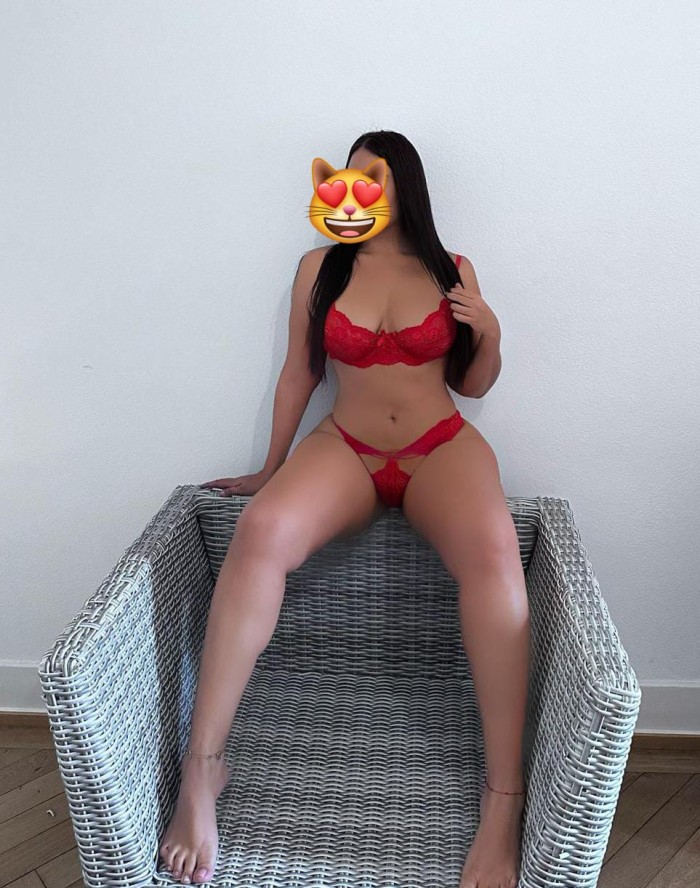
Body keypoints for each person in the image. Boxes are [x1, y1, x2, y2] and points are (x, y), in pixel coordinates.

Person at [159, 130, 531, 888]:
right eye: (346, 179)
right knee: (261, 530)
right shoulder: (320, 267)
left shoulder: (452, 268)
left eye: (374, 177)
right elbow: (299, 374)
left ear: (404, 186)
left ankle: (503, 801)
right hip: (348, 448)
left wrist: (491, 332)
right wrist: (269, 469)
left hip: (439, 445)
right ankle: (204, 768)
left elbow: (472, 385)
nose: (355, 191)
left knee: (496, 550)